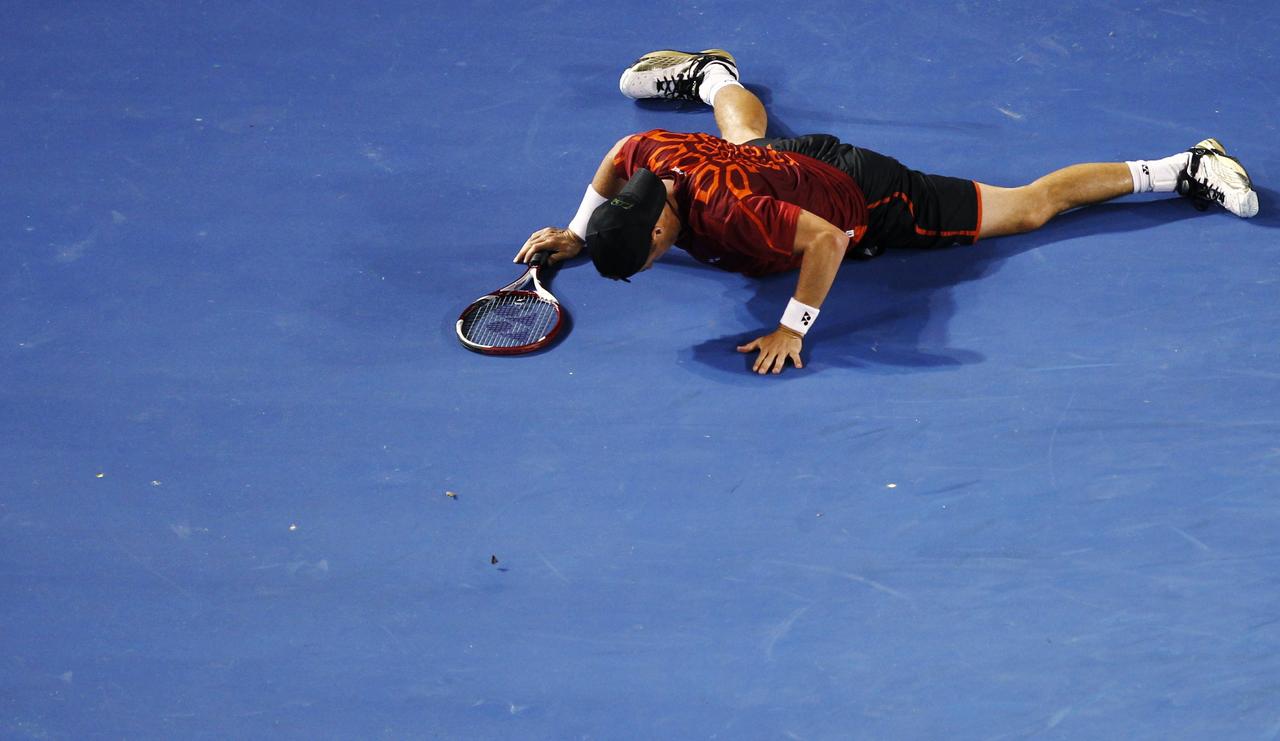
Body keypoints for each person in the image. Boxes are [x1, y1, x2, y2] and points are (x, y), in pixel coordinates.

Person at [513, 49, 1259, 375]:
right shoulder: (653, 158)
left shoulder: (738, 215)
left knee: (1030, 209)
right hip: (792, 164)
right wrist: (579, 234)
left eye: (643, 259)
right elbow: (617, 152)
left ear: (661, 229)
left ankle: (1184, 165)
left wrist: (790, 326)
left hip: (866, 196)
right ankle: (714, 76)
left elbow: (828, 240)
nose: (649, 267)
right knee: (743, 135)